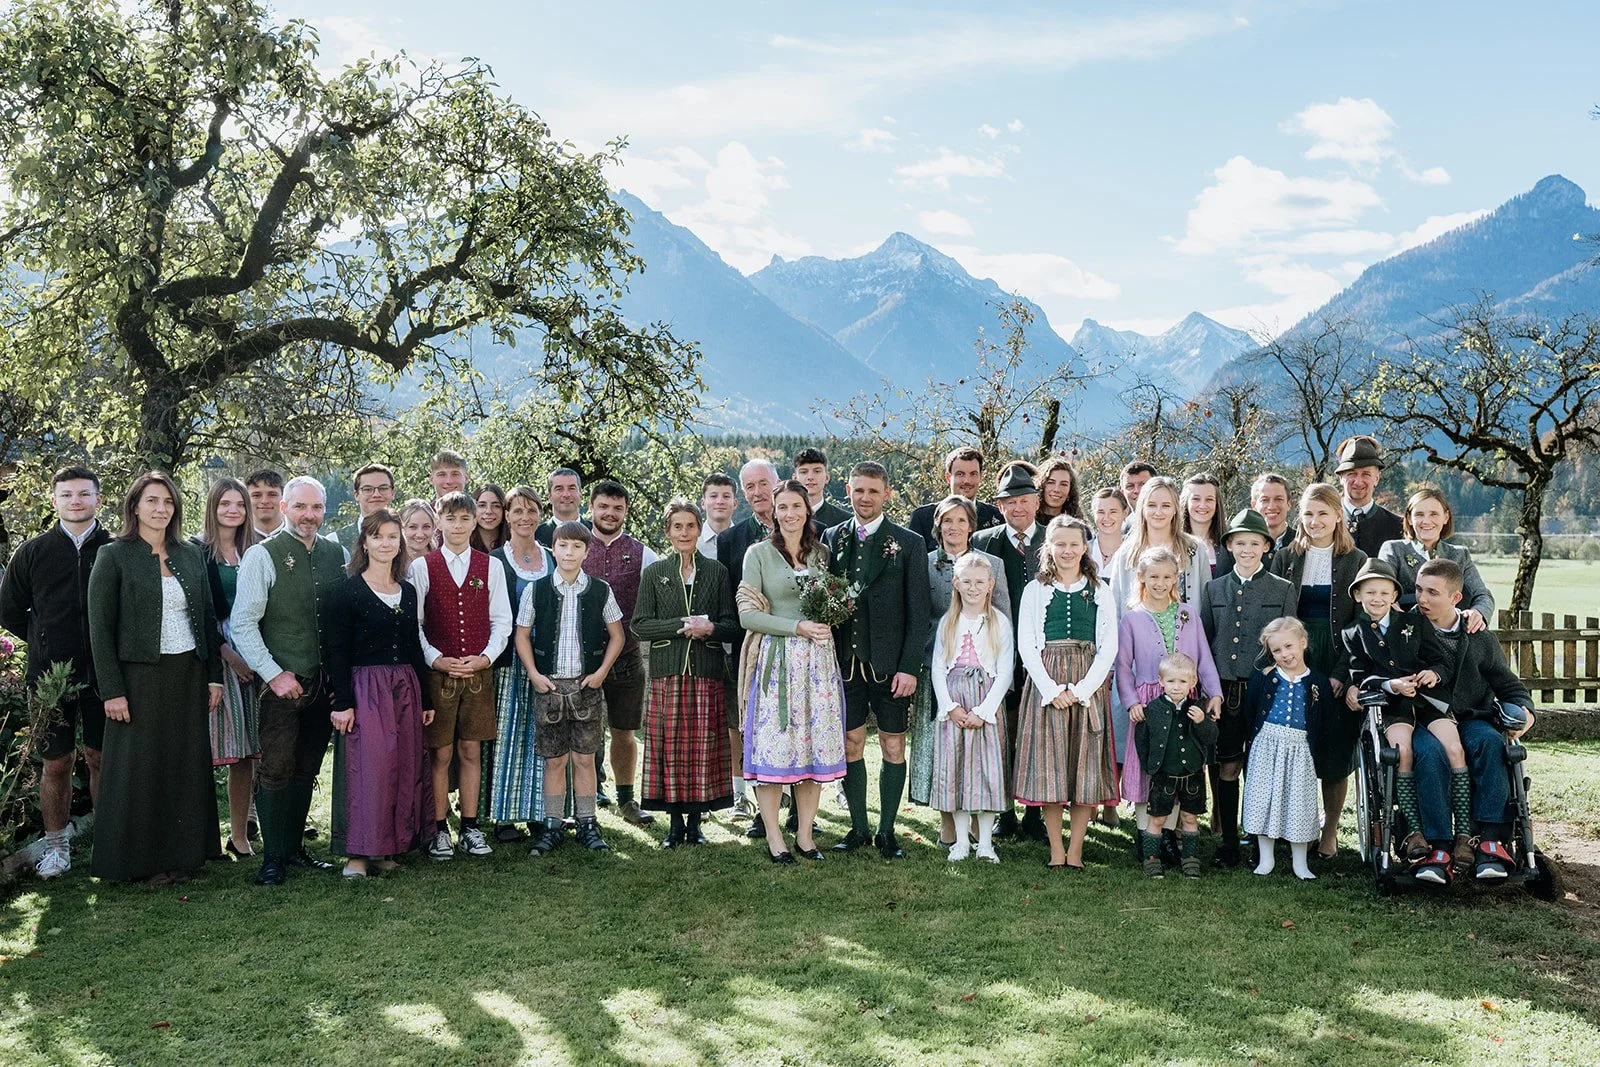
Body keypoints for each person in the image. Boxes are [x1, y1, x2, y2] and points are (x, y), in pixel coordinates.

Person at [87, 471, 223, 884]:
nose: (161, 509)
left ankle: (182, 856)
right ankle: (138, 863)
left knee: (183, 763)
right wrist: (112, 690)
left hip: (188, 671)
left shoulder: (189, 553)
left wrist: (213, 677)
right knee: (139, 768)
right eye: (152, 501)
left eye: (168, 502)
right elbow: (99, 627)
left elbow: (206, 617)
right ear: (134, 507)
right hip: (138, 678)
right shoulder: (113, 556)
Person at [231, 475, 347, 885]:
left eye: (316, 507)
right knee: (277, 767)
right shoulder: (263, 555)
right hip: (281, 683)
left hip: (322, 683)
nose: (309, 515)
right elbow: (243, 624)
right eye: (300, 507)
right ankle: (273, 857)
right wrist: (273, 674)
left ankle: (295, 849)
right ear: (284, 507)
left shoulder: (337, 553)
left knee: (306, 766)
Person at [0, 465, 113, 879]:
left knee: (102, 758)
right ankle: (56, 848)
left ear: (98, 499)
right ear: (55, 500)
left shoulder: (114, 547)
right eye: (67, 495)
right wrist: (46, 642)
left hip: (106, 677)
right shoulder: (32, 553)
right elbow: (9, 611)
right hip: (50, 679)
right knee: (57, 762)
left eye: (84, 494)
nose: (76, 501)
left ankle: (108, 842)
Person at [736, 481, 847, 864]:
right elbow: (747, 614)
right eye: (782, 507)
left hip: (817, 663)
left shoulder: (821, 554)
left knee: (812, 749)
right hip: (777, 661)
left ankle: (804, 835)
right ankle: (773, 835)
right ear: (774, 511)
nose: (789, 514)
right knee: (776, 747)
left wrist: (830, 618)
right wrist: (796, 627)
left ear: (807, 509)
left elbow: (829, 603)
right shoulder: (759, 554)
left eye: (796, 506)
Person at [824, 462, 930, 860]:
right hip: (844, 663)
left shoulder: (908, 542)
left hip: (890, 666)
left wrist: (909, 667)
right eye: (858, 491)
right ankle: (858, 828)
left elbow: (918, 612)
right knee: (851, 743)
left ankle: (887, 831)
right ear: (847, 491)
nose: (864, 498)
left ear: (887, 493)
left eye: (872, 491)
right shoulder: (832, 538)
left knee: (892, 745)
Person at [324, 510, 435, 878]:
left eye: (392, 536)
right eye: (377, 537)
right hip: (365, 688)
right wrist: (343, 702)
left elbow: (414, 646)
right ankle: (358, 853)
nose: (385, 543)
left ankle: (388, 847)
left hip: (404, 687)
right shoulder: (346, 591)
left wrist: (427, 697)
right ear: (365, 543)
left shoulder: (407, 589)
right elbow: (335, 651)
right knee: (368, 769)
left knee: (401, 768)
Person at [1409, 559, 1536, 882]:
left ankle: (1490, 841)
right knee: (1429, 753)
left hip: (1471, 716)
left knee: (1490, 742)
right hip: (1424, 719)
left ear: (1456, 598)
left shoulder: (1478, 635)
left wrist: (1525, 713)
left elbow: (1507, 684)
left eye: (1432, 593)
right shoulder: (1405, 629)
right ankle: (1438, 846)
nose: (1422, 599)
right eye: (1419, 590)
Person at [410, 491, 513, 860]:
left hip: (477, 674)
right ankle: (439, 829)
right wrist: (436, 659)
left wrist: (485, 658)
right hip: (439, 676)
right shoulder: (422, 567)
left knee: (471, 750)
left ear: (475, 522)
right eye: (450, 519)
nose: (457, 526)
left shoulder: (491, 567)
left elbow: (502, 620)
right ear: (439, 521)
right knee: (440, 752)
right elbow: (415, 624)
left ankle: (470, 827)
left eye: (464, 519)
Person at [1339, 559, 1462, 865]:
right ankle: (1415, 832)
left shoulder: (1414, 623)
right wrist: (1390, 684)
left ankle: (1464, 834)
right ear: (1358, 596)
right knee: (1402, 752)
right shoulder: (1353, 633)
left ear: (1394, 595)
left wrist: (1434, 674)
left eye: (1383, 592)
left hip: (1428, 701)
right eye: (1369, 593)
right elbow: (1359, 676)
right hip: (1392, 706)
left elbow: (1440, 661)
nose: (1377, 599)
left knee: (1455, 749)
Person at [632, 499, 738, 846]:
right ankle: (674, 826)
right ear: (668, 531)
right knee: (670, 749)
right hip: (668, 672)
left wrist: (710, 629)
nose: (684, 533)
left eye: (690, 526)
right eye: (677, 527)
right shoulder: (655, 573)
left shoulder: (717, 572)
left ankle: (696, 825)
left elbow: (732, 626)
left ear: (698, 529)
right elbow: (640, 626)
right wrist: (680, 625)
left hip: (706, 672)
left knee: (702, 749)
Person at [1269, 482, 1367, 860]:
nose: (1315, 521)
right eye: (1308, 514)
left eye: (1323, 513)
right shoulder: (1286, 556)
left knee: (1334, 749)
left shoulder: (1355, 560)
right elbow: (1278, 617)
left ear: (1338, 515)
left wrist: (1343, 671)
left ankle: (1328, 831)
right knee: (1294, 745)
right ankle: (1294, 827)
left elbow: (1361, 624)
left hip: (1336, 657)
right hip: (1295, 656)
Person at [1015, 516, 1119, 870]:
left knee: (1084, 766)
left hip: (1087, 681)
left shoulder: (1100, 589)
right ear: (1049, 548)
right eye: (1059, 544)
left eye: (1074, 544)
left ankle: (1076, 849)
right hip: (1048, 684)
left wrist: (1083, 689)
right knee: (1052, 767)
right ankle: (1056, 849)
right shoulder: (1035, 589)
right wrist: (1051, 689)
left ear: (1085, 547)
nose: (1067, 550)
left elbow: (1109, 646)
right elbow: (1027, 644)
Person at [515, 521, 626, 855]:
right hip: (549, 686)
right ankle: (552, 825)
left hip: (586, 686)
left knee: (584, 758)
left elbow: (618, 635)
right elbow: (521, 634)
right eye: (563, 546)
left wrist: (602, 672)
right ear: (554, 548)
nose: (569, 552)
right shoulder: (537, 589)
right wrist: (533, 673)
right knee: (554, 760)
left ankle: (587, 823)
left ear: (586, 551)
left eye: (577, 547)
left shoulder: (600, 590)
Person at [1198, 508, 1298, 868]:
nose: (1247, 549)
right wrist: (1212, 691)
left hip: (1264, 690)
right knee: (1228, 766)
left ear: (1266, 546)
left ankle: (1259, 840)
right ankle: (1228, 842)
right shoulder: (1214, 588)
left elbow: (1287, 643)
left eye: (1254, 543)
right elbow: (1207, 643)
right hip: (1225, 691)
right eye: (1239, 543)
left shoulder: (1282, 589)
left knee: (1261, 767)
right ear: (1229, 545)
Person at [908, 497, 1010, 847]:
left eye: (961, 520)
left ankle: (977, 828)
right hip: (937, 663)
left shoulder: (991, 564)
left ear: (972, 525)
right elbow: (917, 613)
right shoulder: (925, 563)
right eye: (947, 521)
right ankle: (949, 826)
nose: (954, 527)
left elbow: (1002, 615)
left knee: (977, 752)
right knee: (942, 747)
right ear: (938, 525)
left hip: (983, 672)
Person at [1116, 547, 1223, 867]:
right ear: (1142, 579)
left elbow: (1203, 658)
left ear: (1176, 578)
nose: (1160, 583)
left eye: (1167, 577)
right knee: (1149, 766)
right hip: (1150, 703)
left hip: (1184, 700)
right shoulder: (1132, 618)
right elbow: (1122, 666)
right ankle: (1145, 835)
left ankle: (1170, 838)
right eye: (1154, 577)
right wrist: (1132, 701)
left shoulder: (1187, 614)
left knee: (1178, 764)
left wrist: (1213, 693)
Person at [970, 464, 1046, 840]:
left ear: (1036, 501)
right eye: (1009, 502)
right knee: (1001, 733)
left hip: (1044, 654)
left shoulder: (1054, 539)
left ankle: (1035, 812)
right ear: (1000, 506)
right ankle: (1005, 812)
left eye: (1023, 500)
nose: (1017, 508)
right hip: (995, 651)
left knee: (1035, 732)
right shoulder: (983, 541)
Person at [581, 479, 660, 827]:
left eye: (617, 508)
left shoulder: (644, 554)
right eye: (604, 507)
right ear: (592, 507)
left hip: (627, 657)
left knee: (624, 731)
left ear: (625, 511)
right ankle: (581, 803)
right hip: (582, 657)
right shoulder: (574, 545)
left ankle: (626, 800)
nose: (610, 514)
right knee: (582, 733)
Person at [930, 554, 1013, 863]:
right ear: (956, 584)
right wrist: (949, 706)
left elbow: (1005, 671)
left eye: (980, 582)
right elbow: (938, 667)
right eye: (967, 581)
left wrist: (984, 710)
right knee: (958, 771)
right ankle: (961, 841)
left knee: (987, 772)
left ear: (990, 585)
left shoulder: (998, 622)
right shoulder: (948, 621)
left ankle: (986, 842)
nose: (973, 588)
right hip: (955, 702)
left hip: (984, 701)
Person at [195, 477, 261, 859]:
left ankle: (239, 835)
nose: (233, 510)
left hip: (255, 652)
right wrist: (227, 655)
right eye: (225, 504)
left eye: (239, 504)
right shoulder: (196, 553)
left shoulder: (256, 551)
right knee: (210, 747)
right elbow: (199, 616)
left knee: (245, 752)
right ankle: (199, 836)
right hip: (215, 654)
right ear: (213, 508)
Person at [1241, 618, 1330, 880]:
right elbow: (1251, 710)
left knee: (1299, 802)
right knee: (1262, 798)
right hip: (1267, 744)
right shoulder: (1264, 678)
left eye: (1289, 646)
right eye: (1277, 651)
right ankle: (1266, 858)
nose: (1284, 654)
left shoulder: (1317, 682)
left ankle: (1299, 862)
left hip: (1300, 748)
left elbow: (1322, 718)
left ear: (1303, 642)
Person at [718, 458, 781, 826]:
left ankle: (798, 806)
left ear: (777, 483)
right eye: (750, 487)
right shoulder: (731, 540)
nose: (758, 492)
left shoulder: (807, 529)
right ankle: (763, 810)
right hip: (752, 649)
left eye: (763, 484)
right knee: (756, 728)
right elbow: (729, 601)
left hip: (796, 646)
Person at [487, 486, 551, 841]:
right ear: (507, 516)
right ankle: (504, 816)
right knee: (509, 734)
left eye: (532, 510)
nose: (525, 517)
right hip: (510, 660)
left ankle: (541, 811)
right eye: (518, 511)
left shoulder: (553, 557)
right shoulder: (496, 559)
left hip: (549, 661)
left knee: (544, 735)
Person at [1133, 653, 1215, 878]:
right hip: (1164, 774)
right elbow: (1142, 739)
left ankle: (1190, 859)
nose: (1176, 687)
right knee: (1157, 818)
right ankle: (1152, 859)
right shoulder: (1152, 709)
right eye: (1171, 681)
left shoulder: (1198, 708)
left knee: (1190, 817)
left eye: (1182, 681)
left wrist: (1201, 722)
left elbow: (1210, 738)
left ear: (1192, 683)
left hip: (1192, 774)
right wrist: (1151, 766)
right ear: (1161, 682)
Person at [1379, 488, 1495, 631]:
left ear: (1446, 517)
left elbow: (1483, 595)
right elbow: (1381, 591)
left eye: (1434, 514)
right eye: (1419, 514)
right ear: (1409, 518)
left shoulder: (1460, 555)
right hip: (1406, 635)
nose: (1426, 521)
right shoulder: (1393, 550)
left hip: (1451, 635)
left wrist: (1478, 612)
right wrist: (1395, 612)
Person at [1087, 486, 1131, 829]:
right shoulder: (1082, 550)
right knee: (1091, 729)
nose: (1106, 518)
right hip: (1087, 647)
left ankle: (1112, 800)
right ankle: (1088, 797)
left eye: (1113, 511)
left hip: (1124, 645)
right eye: (1100, 511)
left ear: (1125, 514)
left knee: (1115, 728)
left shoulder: (1132, 554)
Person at [1107, 476, 1209, 613]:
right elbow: (1114, 607)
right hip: (1137, 633)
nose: (1158, 512)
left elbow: (1206, 604)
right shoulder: (1126, 553)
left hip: (1185, 632)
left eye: (1166, 506)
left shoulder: (1195, 550)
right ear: (1142, 508)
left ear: (1175, 509)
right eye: (1151, 505)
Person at [907, 446, 1004, 547]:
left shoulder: (997, 517)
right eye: (960, 474)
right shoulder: (923, 518)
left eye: (973, 474)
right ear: (948, 478)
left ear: (981, 477)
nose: (967, 481)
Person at [1335, 435, 1403, 559]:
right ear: (1340, 478)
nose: (1358, 481)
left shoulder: (1398, 527)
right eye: (1352, 474)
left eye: (1366, 474)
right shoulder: (1325, 522)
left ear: (1376, 478)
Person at [339, 463, 397, 551]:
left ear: (393, 493)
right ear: (356, 495)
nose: (376, 494)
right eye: (368, 489)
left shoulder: (409, 538)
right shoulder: (336, 541)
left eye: (383, 488)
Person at [1180, 472, 1226, 576]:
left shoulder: (1228, 546)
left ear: (1216, 504)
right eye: (1196, 499)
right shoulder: (1174, 543)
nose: (1202, 505)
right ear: (1186, 502)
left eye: (1209, 499)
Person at [793, 447, 850, 528]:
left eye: (817, 471)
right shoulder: (786, 520)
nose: (810, 477)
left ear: (827, 477)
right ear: (795, 478)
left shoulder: (845, 522)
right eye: (804, 472)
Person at [1249, 472, 1294, 561]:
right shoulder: (1240, 545)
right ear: (1254, 505)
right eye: (1264, 500)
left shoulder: (1303, 544)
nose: (1271, 507)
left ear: (1289, 504)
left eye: (1279, 499)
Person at [536, 468, 586, 548]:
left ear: (580, 494)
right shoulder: (536, 537)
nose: (566, 495)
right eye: (559, 489)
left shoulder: (596, 532)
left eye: (572, 488)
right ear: (549, 496)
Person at [697, 473, 738, 554]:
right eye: (713, 496)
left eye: (726, 496)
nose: (720, 502)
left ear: (735, 503)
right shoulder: (691, 543)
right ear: (703, 503)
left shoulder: (747, 542)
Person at [1035, 454, 1083, 523]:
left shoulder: (1077, 527)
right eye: (1051, 482)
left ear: (1070, 491)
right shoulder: (1027, 523)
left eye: (1063, 484)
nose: (1056, 489)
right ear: (1041, 485)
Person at [245, 468, 286, 539]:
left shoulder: (298, 539)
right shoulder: (236, 541)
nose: (264, 501)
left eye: (272, 494)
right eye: (256, 495)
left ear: (283, 497)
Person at [398, 499, 437, 571]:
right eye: (413, 527)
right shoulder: (392, 563)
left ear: (434, 527)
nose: (420, 534)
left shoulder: (441, 561)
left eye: (426, 527)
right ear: (401, 528)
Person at [471, 484, 509, 553]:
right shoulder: (463, 543)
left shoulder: (512, 544)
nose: (489, 511)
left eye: (496, 506)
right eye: (482, 505)